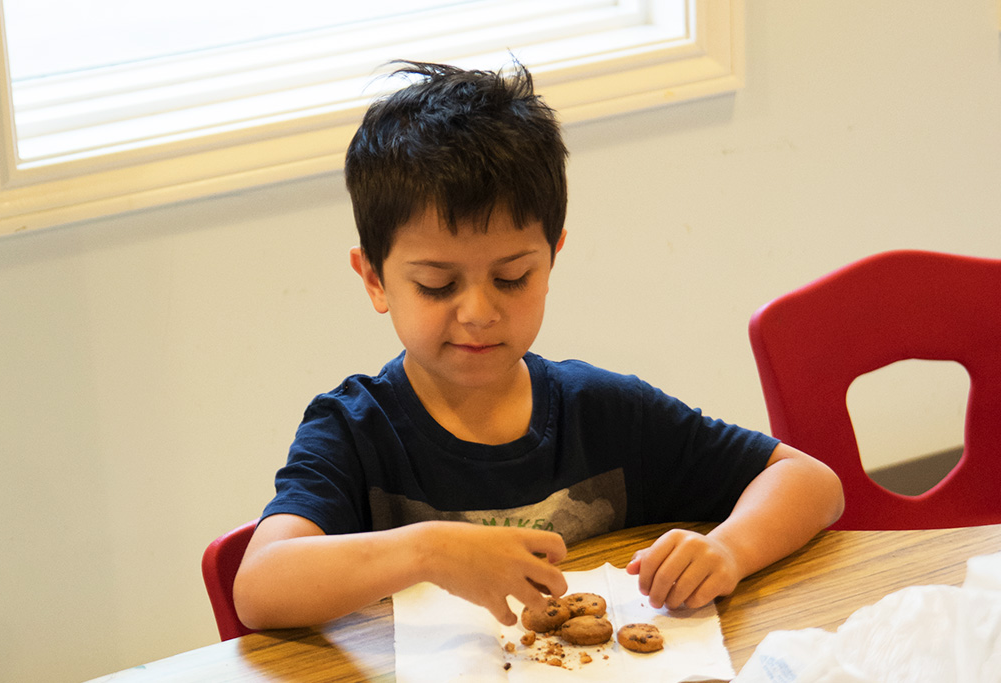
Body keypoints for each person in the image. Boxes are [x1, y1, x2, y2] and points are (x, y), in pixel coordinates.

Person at [233, 60, 844, 630]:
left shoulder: (606, 412)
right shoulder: (353, 431)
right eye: (437, 284)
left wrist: (726, 550)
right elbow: (260, 588)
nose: (478, 313)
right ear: (375, 279)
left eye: (511, 278)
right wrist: (427, 549)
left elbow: (811, 483)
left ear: (551, 260)